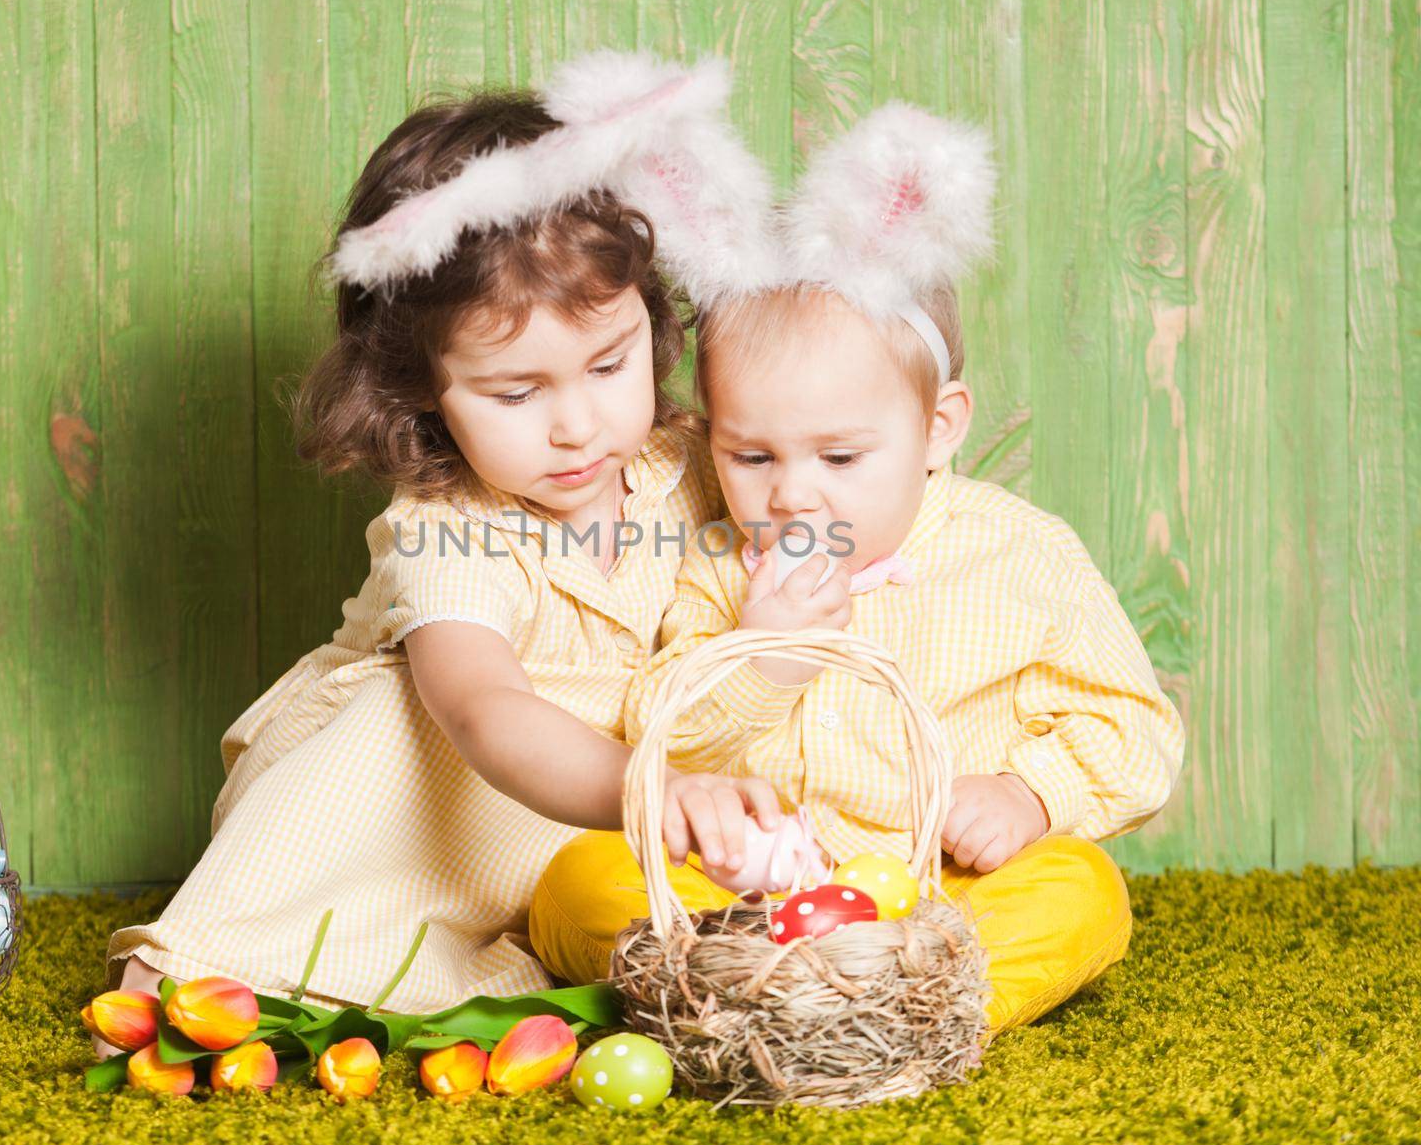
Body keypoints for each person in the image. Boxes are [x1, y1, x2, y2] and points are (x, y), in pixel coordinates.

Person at [102, 51, 789, 1028]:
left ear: (650, 317)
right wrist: (649, 786)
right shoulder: (447, 526)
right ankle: (220, 956)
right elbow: (484, 708)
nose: (576, 424)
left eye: (607, 362)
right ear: (418, 381)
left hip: (567, 811)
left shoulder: (684, 465)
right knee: (398, 717)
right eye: (515, 392)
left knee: (640, 915)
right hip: (400, 812)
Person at [528, 102, 1187, 1037]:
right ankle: (752, 990)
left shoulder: (1024, 553)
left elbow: (1135, 724)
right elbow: (660, 733)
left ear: (939, 429)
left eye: (840, 458)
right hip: (749, 898)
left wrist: (1033, 794)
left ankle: (920, 1008)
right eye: (752, 457)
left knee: (1086, 891)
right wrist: (763, 655)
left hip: (941, 899)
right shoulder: (721, 562)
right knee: (572, 883)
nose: (793, 495)